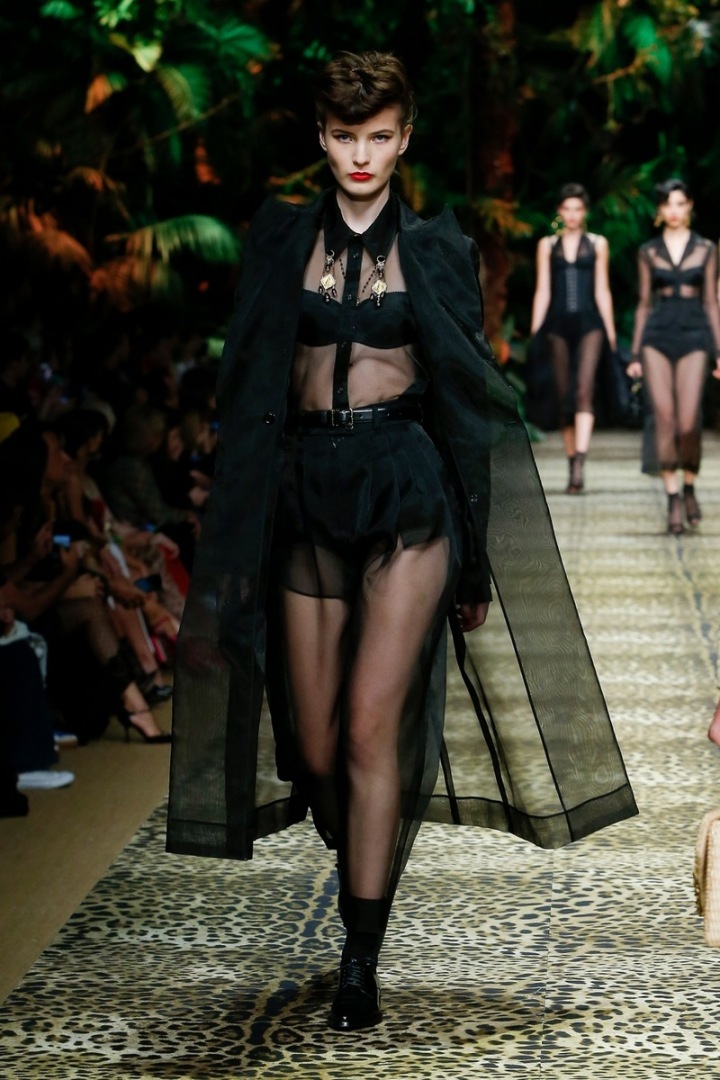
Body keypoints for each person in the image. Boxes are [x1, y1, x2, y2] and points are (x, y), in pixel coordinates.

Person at [167, 51, 637, 1033]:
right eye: (345, 136)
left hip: (406, 493)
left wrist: (474, 555)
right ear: (321, 137)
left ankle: (359, 955)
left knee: (368, 729)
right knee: (314, 747)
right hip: (304, 490)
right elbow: (245, 390)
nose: (361, 155)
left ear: (404, 138)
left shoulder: (435, 247)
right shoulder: (279, 237)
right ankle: (358, 844)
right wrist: (232, 540)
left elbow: (466, 403)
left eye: (378, 136)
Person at [627, 179, 720, 534]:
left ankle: (690, 485)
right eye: (668, 204)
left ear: (690, 206)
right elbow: (643, 303)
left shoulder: (706, 248)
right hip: (657, 337)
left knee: (688, 421)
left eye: (680, 203)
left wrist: (719, 350)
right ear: (660, 209)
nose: (675, 211)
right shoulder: (648, 251)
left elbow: (710, 302)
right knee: (664, 418)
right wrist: (635, 352)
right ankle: (672, 498)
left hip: (695, 336)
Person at [529, 183, 618, 494]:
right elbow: (542, 290)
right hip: (557, 325)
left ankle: (580, 462)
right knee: (564, 397)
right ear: (559, 211)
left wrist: (611, 333)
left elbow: (602, 290)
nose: (572, 214)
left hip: (590, 324)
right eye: (567, 209)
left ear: (585, 212)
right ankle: (571, 461)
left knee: (583, 392)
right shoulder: (547, 245)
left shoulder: (598, 243)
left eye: (577, 209)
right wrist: (535, 332)